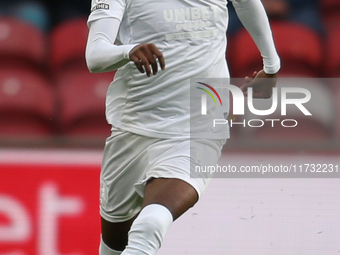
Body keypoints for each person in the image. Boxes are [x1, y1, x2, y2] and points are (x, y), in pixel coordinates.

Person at [85, 0, 280, 254]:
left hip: (201, 124)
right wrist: (128, 51)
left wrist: (271, 65)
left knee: (151, 224)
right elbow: (95, 55)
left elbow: (246, 2)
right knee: (114, 245)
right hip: (134, 126)